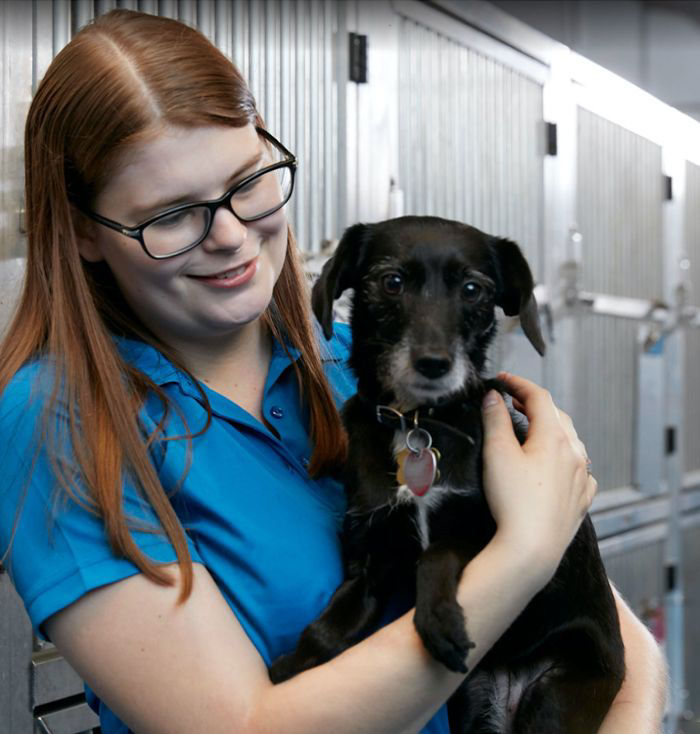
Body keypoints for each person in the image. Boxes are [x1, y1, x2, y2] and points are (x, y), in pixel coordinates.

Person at [0, 9, 666, 734]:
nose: (230, 236)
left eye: (248, 181)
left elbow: (614, 642)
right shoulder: (62, 420)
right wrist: (526, 549)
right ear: (84, 234)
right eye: (172, 214)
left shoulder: (360, 369)